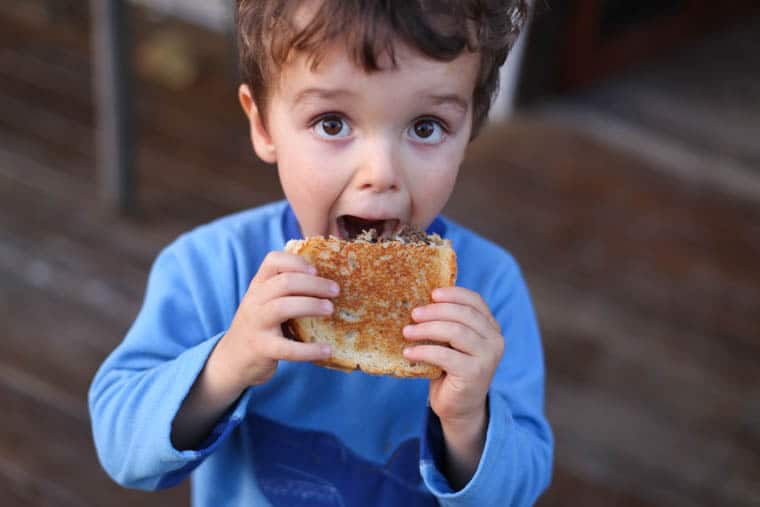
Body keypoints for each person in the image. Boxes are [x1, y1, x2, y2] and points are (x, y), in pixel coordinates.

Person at [88, 1, 553, 505]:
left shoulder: (490, 291)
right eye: (332, 123)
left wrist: (469, 420)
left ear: (468, 132)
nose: (381, 172)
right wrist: (228, 363)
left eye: (425, 126)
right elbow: (121, 447)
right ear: (264, 126)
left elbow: (518, 490)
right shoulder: (209, 267)